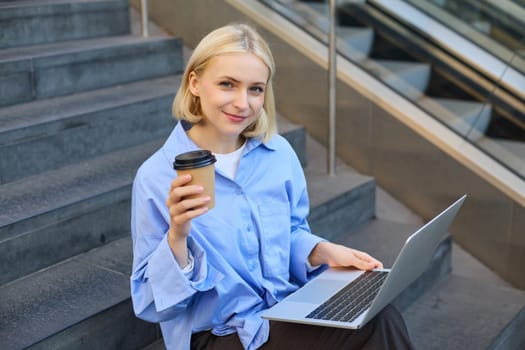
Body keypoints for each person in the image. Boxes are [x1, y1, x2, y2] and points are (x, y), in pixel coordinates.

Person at [130, 23, 414, 350]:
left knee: (376, 313)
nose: (243, 103)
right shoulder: (157, 176)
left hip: (281, 313)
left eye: (255, 89)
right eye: (227, 84)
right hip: (220, 335)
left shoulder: (277, 154)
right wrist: (177, 236)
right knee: (377, 326)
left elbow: (289, 231)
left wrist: (322, 251)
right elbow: (152, 303)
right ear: (195, 83)